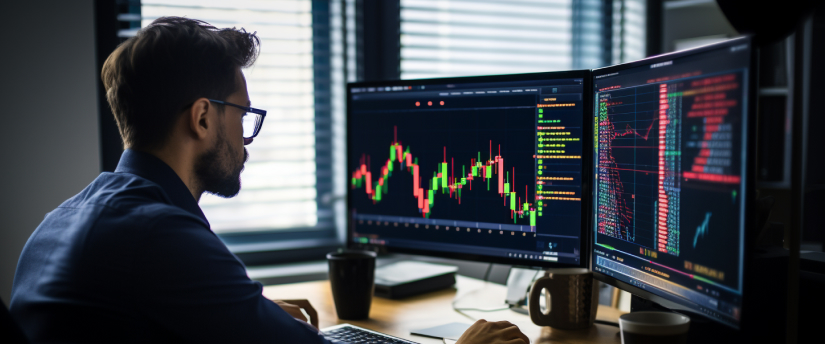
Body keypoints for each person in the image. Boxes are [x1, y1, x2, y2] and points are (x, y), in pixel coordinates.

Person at [9, 17, 528, 344]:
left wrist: (244, 316)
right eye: (242, 114)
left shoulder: (65, 218)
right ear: (203, 118)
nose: (247, 136)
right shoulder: (159, 236)